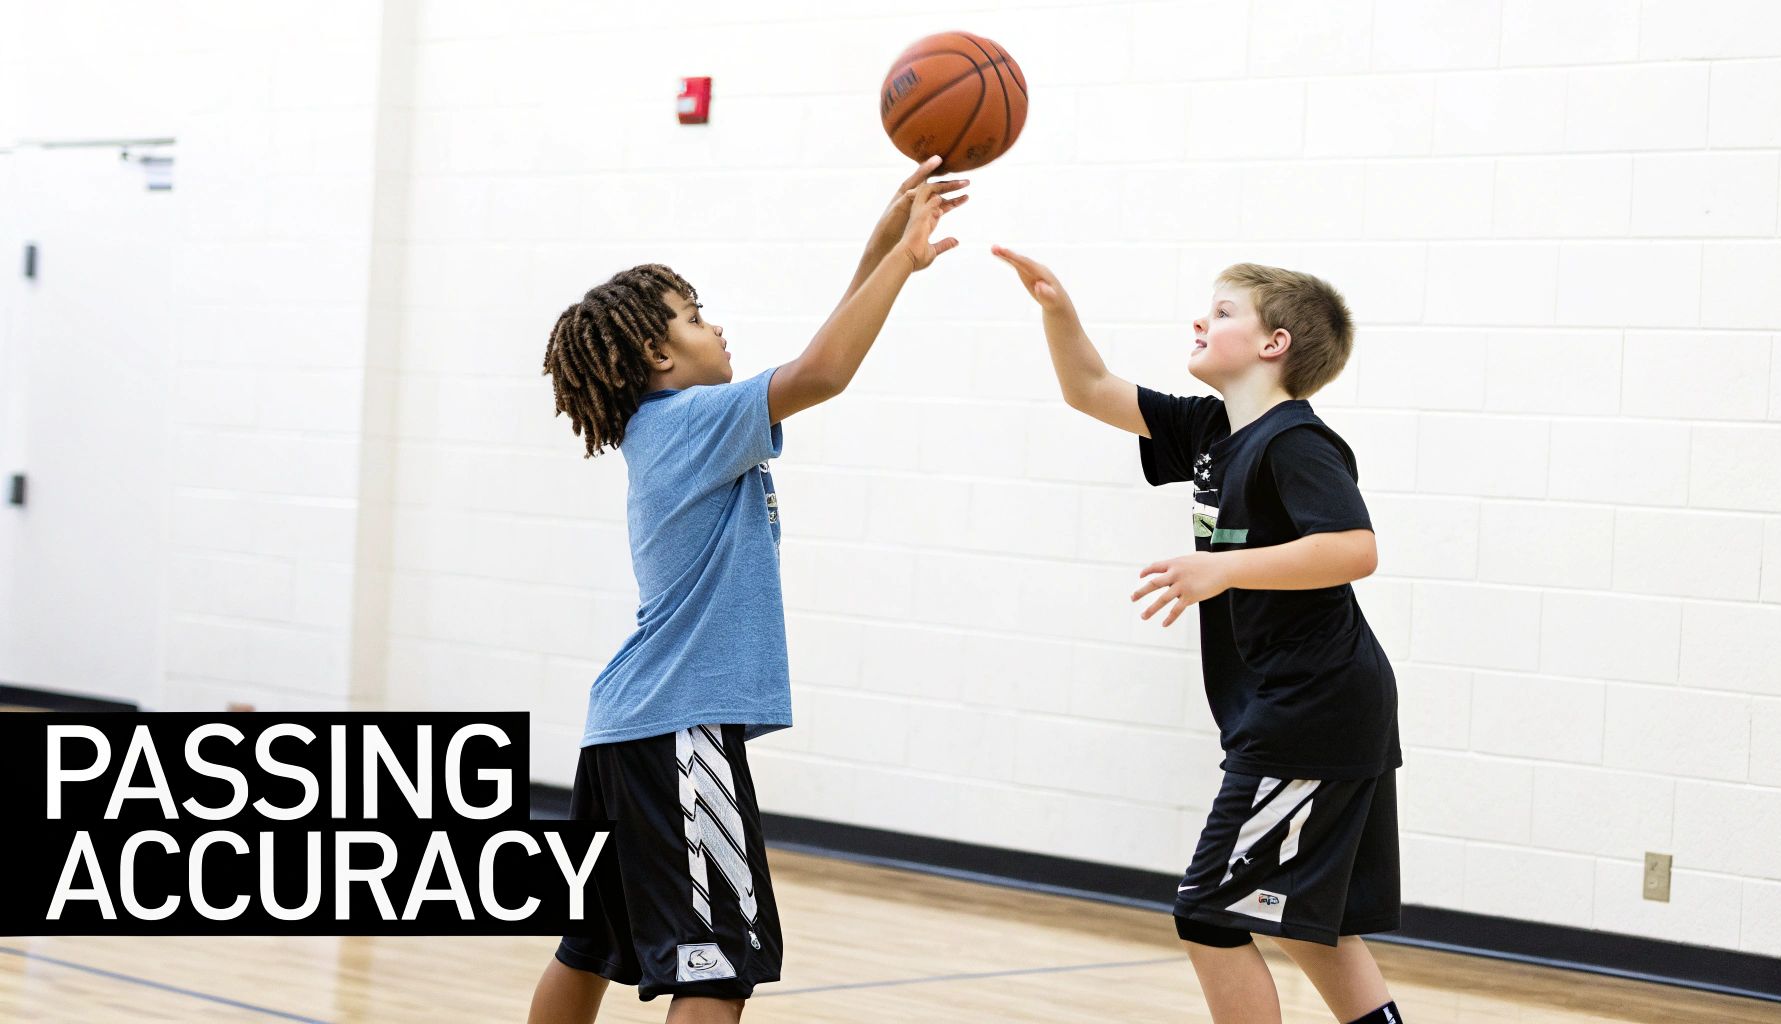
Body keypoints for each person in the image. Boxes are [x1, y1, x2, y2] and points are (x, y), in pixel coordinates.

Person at [527, 157, 967, 1024]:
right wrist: (901, 268)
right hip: (676, 727)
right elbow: (824, 371)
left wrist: (882, 242)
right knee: (716, 968)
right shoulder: (694, 419)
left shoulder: (669, 427)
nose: (717, 328)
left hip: (627, 727)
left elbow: (816, 354)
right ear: (657, 354)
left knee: (593, 949)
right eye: (695, 318)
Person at [995, 247, 1403, 1024]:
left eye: (1222, 312)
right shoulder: (1214, 427)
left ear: (1273, 344)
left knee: (1209, 912)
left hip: (1312, 710)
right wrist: (1057, 308)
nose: (1200, 319)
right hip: (1302, 707)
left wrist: (1226, 569)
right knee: (1310, 926)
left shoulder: (1296, 441)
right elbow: (1090, 389)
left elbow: (1356, 548)